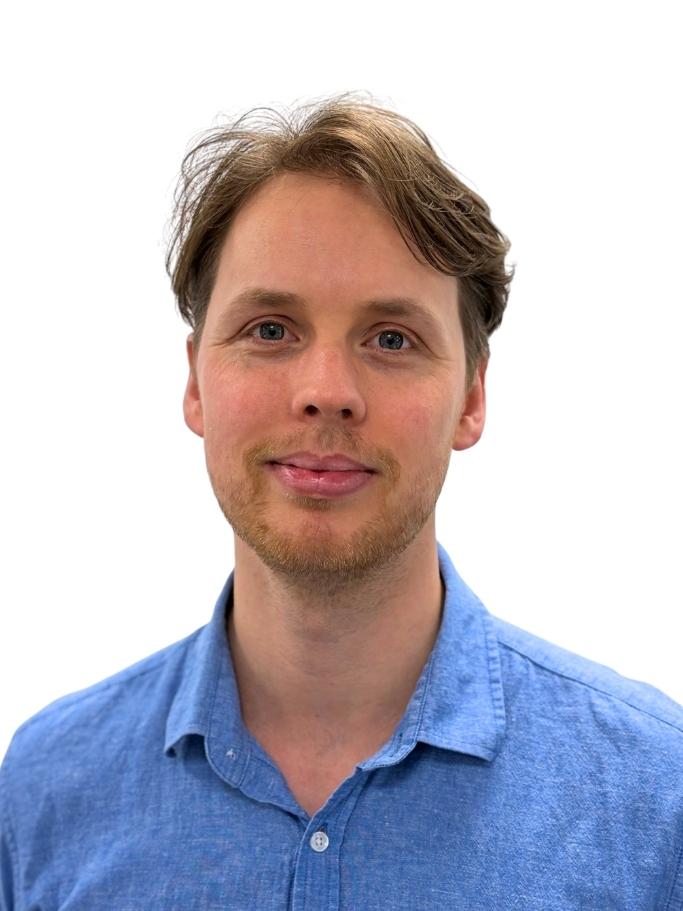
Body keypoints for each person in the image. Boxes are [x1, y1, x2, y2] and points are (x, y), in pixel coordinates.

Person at [1, 95, 681, 911]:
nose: (326, 392)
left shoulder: (653, 800)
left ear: (470, 397)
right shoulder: (44, 791)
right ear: (194, 383)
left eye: (390, 339)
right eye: (270, 329)